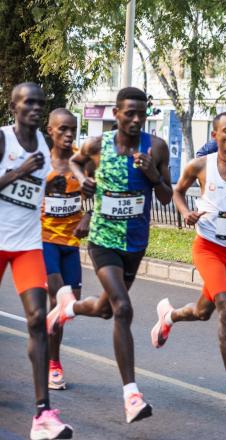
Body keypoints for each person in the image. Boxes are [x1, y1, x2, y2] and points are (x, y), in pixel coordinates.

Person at [46, 87, 173, 424]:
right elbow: (75, 161)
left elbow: (165, 197)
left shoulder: (156, 147)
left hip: (135, 242)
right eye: (128, 113)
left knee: (104, 309)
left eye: (140, 114)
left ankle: (67, 307)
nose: (134, 119)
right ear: (115, 114)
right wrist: (83, 178)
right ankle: (131, 395)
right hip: (103, 239)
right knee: (122, 308)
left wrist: (153, 175)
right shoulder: (98, 145)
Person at [150, 112, 226, 413]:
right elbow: (177, 192)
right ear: (216, 135)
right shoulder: (200, 166)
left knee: (204, 312)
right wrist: (185, 213)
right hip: (208, 248)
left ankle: (169, 317)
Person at [0, 83, 73, 439]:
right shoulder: (3, 140)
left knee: (36, 318)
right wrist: (19, 170)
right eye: (28, 102)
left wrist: (60, 189)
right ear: (14, 106)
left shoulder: (44, 145)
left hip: (28, 244)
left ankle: (43, 414)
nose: (35, 108)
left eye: (40, 104)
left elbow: (37, 191)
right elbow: (17, 179)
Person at [41, 109, 91, 391]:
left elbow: (99, 191)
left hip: (71, 243)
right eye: (63, 129)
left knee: (72, 305)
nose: (69, 134)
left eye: (73, 129)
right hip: (44, 240)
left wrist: (88, 216)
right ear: (51, 131)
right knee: (59, 299)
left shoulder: (81, 160)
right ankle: (53, 364)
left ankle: (42, 329)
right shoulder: (41, 162)